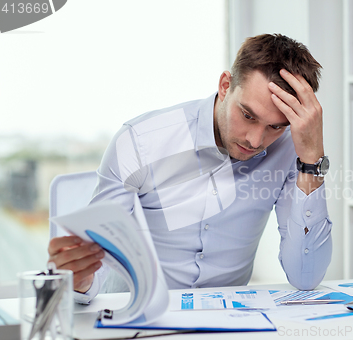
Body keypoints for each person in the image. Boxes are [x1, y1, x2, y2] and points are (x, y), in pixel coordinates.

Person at [47, 33, 333, 304]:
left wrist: (311, 160)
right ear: (225, 86)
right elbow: (100, 255)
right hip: (137, 316)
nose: (255, 140)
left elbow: (305, 276)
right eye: (247, 115)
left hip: (230, 322)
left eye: (275, 127)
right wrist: (80, 280)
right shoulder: (140, 141)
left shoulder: (288, 149)